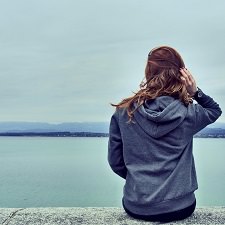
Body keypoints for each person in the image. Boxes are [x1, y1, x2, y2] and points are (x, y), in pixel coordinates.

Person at [108, 46, 222, 222]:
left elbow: (115, 162)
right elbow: (214, 110)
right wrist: (195, 92)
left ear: (148, 72)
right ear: (181, 74)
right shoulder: (188, 113)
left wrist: (139, 180)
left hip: (137, 206)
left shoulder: (124, 112)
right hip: (180, 207)